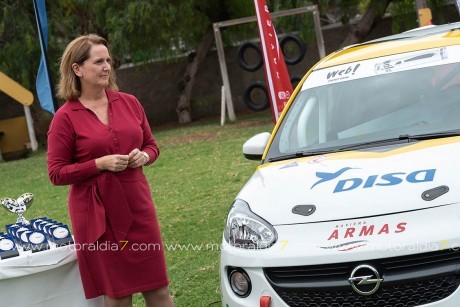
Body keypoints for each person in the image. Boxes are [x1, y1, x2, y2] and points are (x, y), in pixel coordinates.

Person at [46, 34, 174, 307]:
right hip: (97, 216)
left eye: (108, 61)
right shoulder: (65, 117)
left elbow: (152, 145)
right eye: (98, 62)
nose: (106, 67)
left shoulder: (130, 102)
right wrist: (98, 164)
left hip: (138, 205)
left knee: (158, 289)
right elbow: (56, 173)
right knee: (117, 295)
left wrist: (144, 156)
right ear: (77, 69)